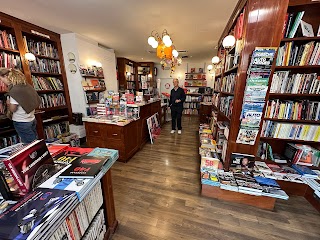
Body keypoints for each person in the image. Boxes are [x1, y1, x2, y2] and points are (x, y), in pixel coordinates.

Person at [0, 68, 41, 143]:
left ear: (6, 77)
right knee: (34, 141)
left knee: (30, 145)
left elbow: (13, 109)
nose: (2, 82)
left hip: (21, 122)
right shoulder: (26, 86)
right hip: (32, 119)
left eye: (1, 79)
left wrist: (8, 104)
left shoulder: (14, 91)